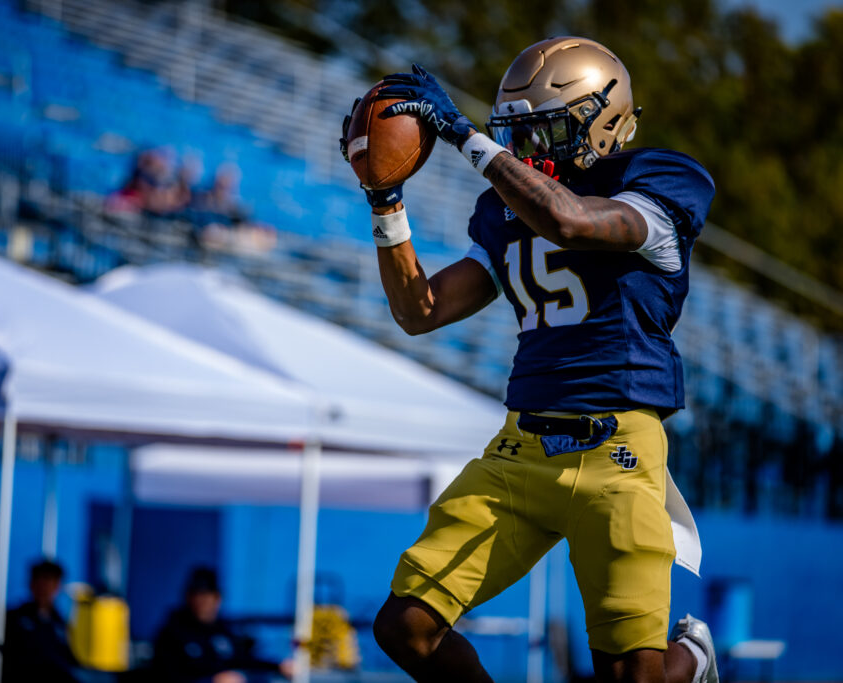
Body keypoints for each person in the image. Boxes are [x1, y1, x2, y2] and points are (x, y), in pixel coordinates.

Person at [339, 37, 719, 683]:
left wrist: (461, 135)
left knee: (633, 675)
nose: (527, 149)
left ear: (604, 121)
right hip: (520, 450)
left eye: (545, 131)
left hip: (618, 451)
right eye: (515, 134)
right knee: (405, 626)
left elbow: (571, 222)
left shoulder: (657, 182)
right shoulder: (504, 208)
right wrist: (386, 201)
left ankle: (694, 657)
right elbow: (420, 310)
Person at [151, 567, 292, 683]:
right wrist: (211, 680)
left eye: (207, 595)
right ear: (188, 598)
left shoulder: (221, 630)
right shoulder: (173, 633)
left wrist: (278, 666)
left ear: (218, 598)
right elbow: (167, 675)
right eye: (197, 595)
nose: (202, 602)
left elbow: (244, 660)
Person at [3, 559, 88, 683]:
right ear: (31, 583)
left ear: (57, 586)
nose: (43, 587)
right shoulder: (13, 618)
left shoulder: (60, 623)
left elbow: (70, 660)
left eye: (49, 581)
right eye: (39, 580)